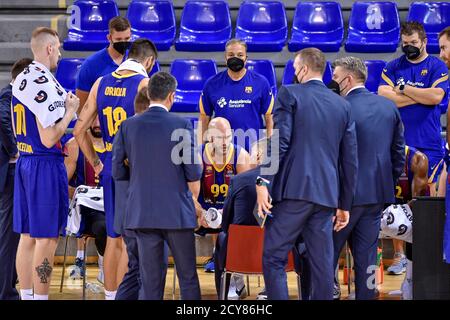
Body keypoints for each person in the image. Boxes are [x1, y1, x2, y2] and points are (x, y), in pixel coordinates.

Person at [256, 48, 358, 300]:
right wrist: (344, 204)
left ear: (301, 69)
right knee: (322, 265)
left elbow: (280, 141)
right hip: (326, 196)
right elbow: (350, 160)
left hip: (294, 192)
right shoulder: (342, 104)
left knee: (273, 257)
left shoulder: (289, 93)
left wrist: (262, 180)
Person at [73, 38, 157, 300]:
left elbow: (78, 130)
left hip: (110, 164)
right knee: (142, 239)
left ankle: (112, 296)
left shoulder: (101, 82)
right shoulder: (145, 84)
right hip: (138, 167)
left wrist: (97, 163)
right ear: (149, 61)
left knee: (114, 237)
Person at [112, 72, 202, 300]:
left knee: (150, 284)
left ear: (149, 93)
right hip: (177, 213)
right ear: (171, 96)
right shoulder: (181, 124)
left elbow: (117, 172)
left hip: (142, 213)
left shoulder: (128, 126)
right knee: (188, 278)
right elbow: (194, 173)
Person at [12, 27, 79, 300]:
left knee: (27, 236)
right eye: (59, 48)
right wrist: (71, 112)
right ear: (49, 48)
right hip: (43, 164)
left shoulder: (22, 78)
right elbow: (50, 137)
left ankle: (27, 296)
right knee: (47, 238)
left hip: (24, 161)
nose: (60, 54)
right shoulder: (44, 82)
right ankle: (40, 298)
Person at [330, 57, 405, 300]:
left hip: (342, 199)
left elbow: (332, 155)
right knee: (368, 259)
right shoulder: (389, 106)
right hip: (376, 197)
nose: (332, 82)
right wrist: (385, 184)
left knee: (325, 257)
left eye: (335, 77)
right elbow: (398, 155)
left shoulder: (340, 107)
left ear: (348, 79)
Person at [378, 21, 449, 275]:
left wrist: (403, 90)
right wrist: (419, 95)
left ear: (424, 42)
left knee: (423, 202)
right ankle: (398, 256)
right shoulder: (394, 65)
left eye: (413, 44)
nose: (408, 48)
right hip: (397, 144)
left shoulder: (437, 66)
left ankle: (423, 254)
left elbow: (436, 97)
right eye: (404, 44)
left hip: (429, 145)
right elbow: (383, 95)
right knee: (397, 202)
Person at [196, 117, 251, 298]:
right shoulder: (198, 156)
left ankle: (236, 277)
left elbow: (247, 195)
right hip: (204, 214)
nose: (226, 142)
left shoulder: (240, 156)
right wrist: (199, 212)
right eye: (220, 138)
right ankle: (188, 281)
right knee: (183, 222)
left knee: (238, 226)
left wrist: (227, 212)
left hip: (231, 214)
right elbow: (189, 194)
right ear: (210, 138)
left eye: (228, 137)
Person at [199, 39, 274, 151]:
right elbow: (204, 118)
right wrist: (202, 148)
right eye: (231, 55)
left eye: (240, 55)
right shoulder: (212, 84)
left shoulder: (261, 83)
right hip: (222, 151)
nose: (235, 58)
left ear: (246, 59)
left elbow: (270, 117)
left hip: (252, 149)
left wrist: (269, 147)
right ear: (225, 58)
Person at [0, 58, 32, 300]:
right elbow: (3, 122)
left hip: (15, 173)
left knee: (14, 234)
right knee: (8, 236)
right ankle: (6, 292)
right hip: (9, 174)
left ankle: (9, 284)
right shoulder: (8, 95)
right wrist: (16, 150)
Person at [64, 116, 107, 283]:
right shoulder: (74, 145)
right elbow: (62, 185)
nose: (97, 124)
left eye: (100, 119)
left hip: (111, 203)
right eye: (93, 119)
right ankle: (81, 257)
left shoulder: (119, 143)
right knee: (100, 224)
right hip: (86, 208)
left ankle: (109, 263)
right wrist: (83, 194)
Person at [76, 16, 132, 113]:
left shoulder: (136, 60)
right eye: (118, 39)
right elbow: (82, 106)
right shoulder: (91, 64)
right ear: (109, 38)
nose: (123, 43)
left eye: (127, 38)